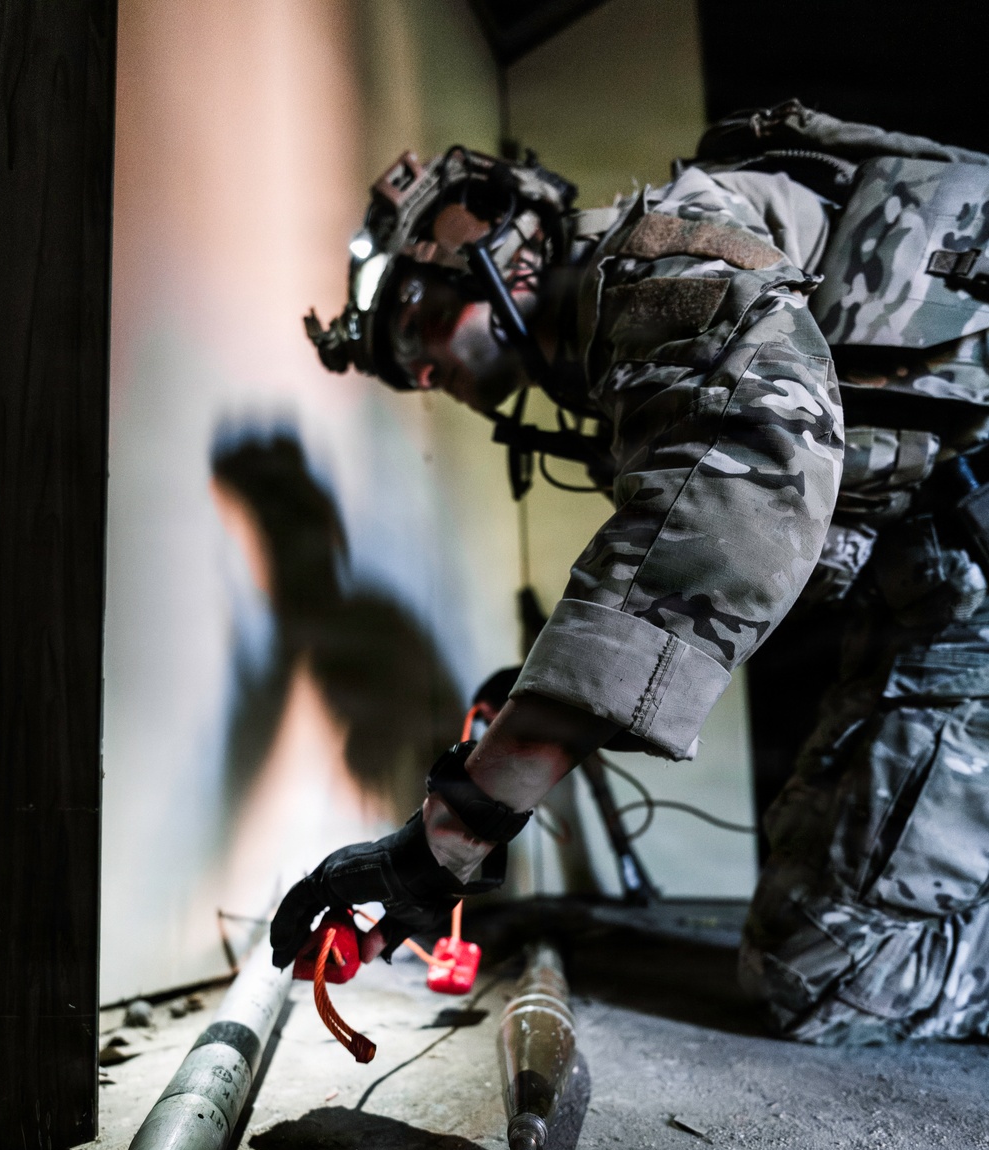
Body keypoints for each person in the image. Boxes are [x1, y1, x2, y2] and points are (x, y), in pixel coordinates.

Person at [271, 100, 989, 1045]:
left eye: (414, 336)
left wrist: (456, 832)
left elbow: (748, 475)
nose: (424, 376)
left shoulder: (652, 258)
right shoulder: (636, 303)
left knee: (832, 975)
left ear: (491, 256)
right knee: (804, 913)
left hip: (958, 564)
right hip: (939, 569)